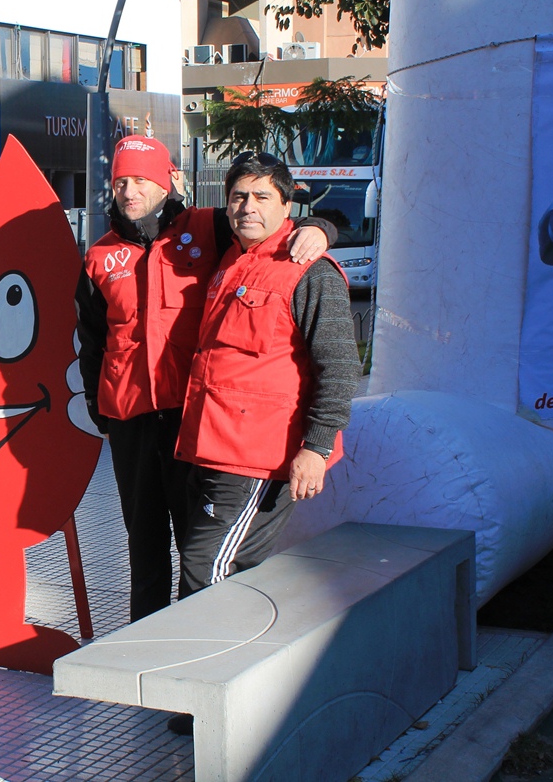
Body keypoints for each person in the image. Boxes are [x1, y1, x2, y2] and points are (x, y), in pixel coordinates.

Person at [75, 136, 336, 623]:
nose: (130, 191)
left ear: (169, 181)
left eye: (142, 180)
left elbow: (273, 228)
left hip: (193, 419)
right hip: (131, 418)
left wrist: (322, 228)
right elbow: (92, 340)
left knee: (197, 539)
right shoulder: (99, 255)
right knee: (144, 541)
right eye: (121, 182)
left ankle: (193, 636)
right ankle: (144, 643)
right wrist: (99, 409)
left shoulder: (210, 227)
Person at [166, 152, 359, 735]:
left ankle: (203, 698)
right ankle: (242, 691)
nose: (247, 207)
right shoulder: (235, 258)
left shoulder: (309, 271)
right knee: (238, 569)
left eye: (261, 197)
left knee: (207, 569)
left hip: (261, 455)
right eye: (238, 197)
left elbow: (339, 367)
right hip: (217, 444)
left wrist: (316, 447)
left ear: (287, 205)